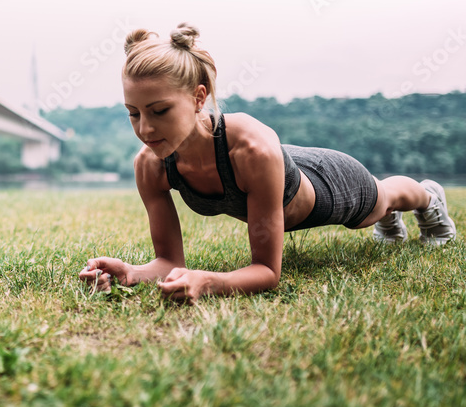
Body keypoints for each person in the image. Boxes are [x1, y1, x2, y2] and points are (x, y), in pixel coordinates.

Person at [79, 24, 456, 303]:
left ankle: (427, 198)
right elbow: (167, 261)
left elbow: (267, 272)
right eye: (133, 114)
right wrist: (131, 273)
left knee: (378, 202)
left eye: (159, 111)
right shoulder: (151, 164)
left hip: (327, 181)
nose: (145, 128)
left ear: (198, 98)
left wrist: (208, 281)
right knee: (379, 207)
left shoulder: (251, 149)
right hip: (282, 168)